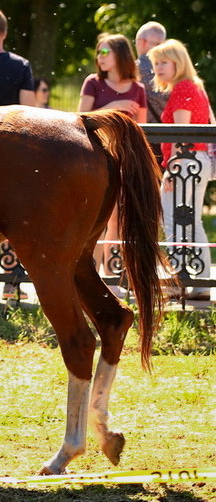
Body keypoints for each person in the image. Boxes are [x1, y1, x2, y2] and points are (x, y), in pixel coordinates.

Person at [78, 33, 147, 278]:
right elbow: (79, 119)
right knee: (97, 218)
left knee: (119, 218)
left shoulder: (138, 89)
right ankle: (91, 272)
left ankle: (113, 274)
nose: (100, 57)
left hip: (125, 159)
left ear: (121, 54)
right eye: (99, 52)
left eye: (105, 51)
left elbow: (143, 127)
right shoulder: (93, 83)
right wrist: (110, 110)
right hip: (96, 159)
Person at [149, 39, 212, 300]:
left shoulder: (184, 88)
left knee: (175, 220)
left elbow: (181, 134)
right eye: (155, 64)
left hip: (186, 163)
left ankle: (179, 282)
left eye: (164, 62)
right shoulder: (194, 86)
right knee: (190, 220)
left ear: (178, 61)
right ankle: (200, 284)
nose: (158, 69)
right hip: (195, 161)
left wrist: (171, 169)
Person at [135, 21, 168, 123]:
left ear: (141, 42)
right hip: (175, 133)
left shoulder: (134, 69)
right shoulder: (173, 69)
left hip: (151, 133)